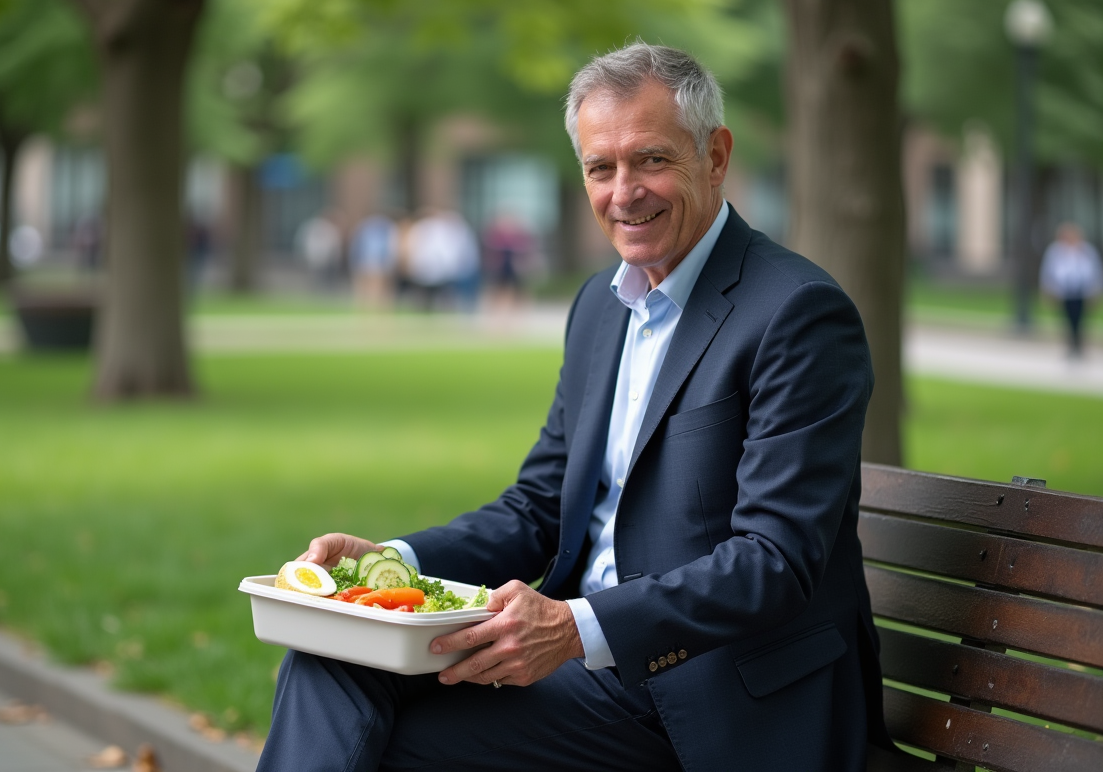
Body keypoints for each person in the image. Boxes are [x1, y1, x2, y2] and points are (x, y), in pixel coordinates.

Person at [257, 42, 889, 771]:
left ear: (715, 156)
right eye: (601, 167)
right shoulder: (601, 306)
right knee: (327, 657)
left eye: (651, 159)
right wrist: (392, 564)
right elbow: (538, 508)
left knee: (392, 744)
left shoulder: (798, 314)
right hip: (585, 669)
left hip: (716, 697)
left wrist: (574, 627)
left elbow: (773, 563)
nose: (625, 192)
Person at [1040, 222, 1102, 357]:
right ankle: (1071, 345)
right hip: (1064, 292)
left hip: (1082, 292)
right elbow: (1048, 272)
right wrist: (1048, 290)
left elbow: (1095, 271)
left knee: (1081, 320)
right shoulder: (1055, 251)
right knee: (1067, 319)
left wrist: (1096, 290)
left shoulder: (1086, 250)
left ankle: (1079, 345)